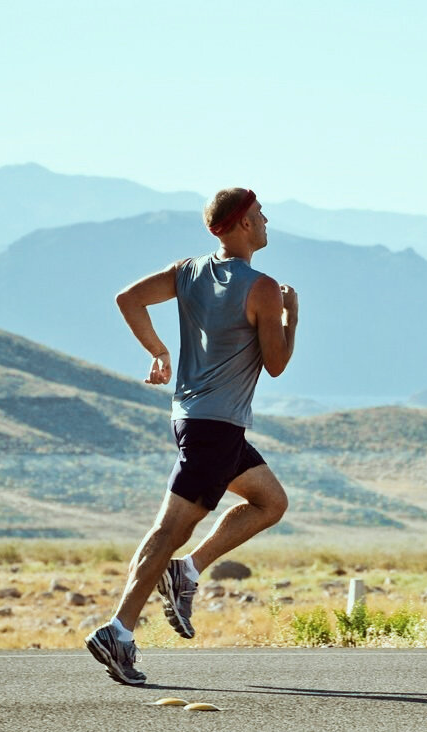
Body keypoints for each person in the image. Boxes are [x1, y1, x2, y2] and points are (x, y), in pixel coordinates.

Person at [85, 187, 298, 685]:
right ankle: (118, 630)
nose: (267, 223)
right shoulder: (263, 288)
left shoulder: (188, 271)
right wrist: (292, 315)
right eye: (262, 216)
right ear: (244, 223)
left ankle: (188, 570)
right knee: (168, 530)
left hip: (196, 420)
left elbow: (128, 298)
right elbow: (277, 364)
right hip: (216, 428)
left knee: (270, 502)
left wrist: (159, 351)